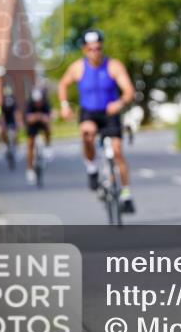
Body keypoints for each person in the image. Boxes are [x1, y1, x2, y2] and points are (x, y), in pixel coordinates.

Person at [57, 29, 137, 213]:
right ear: (85, 50)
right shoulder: (78, 68)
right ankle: (92, 168)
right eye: (91, 49)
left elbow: (129, 91)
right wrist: (64, 105)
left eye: (98, 48)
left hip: (110, 112)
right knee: (87, 133)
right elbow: (63, 84)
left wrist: (120, 103)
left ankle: (126, 194)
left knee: (117, 151)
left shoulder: (113, 66)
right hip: (89, 112)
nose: (95, 52)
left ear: (102, 47)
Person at [24, 87, 53, 185]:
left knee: (48, 128)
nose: (38, 103)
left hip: (42, 123)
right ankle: (30, 169)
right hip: (32, 125)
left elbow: (49, 117)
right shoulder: (29, 104)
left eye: (39, 101)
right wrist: (39, 116)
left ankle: (48, 146)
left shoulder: (45, 104)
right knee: (30, 144)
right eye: (36, 102)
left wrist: (41, 117)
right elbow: (28, 118)